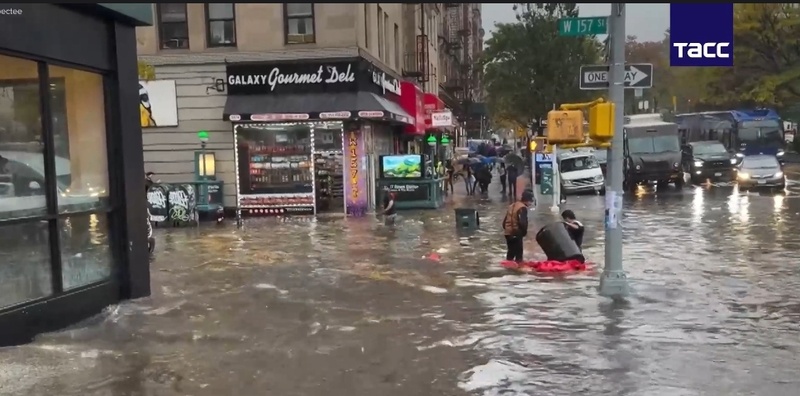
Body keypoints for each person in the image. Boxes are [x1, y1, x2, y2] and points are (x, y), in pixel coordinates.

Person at [502, 189, 534, 263]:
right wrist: (524, 233)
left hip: (508, 233)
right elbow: (523, 222)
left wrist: (507, 229)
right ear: (527, 200)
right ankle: (518, 269)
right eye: (531, 201)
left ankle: (508, 267)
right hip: (516, 233)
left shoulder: (512, 206)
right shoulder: (522, 208)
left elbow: (504, 222)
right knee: (519, 255)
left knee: (510, 253)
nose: (531, 203)